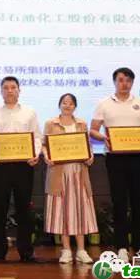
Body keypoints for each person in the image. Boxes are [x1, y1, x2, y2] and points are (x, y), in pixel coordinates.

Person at [89, 67, 140, 263]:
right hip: (115, 158)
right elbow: (93, 130)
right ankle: (121, 247)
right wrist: (105, 138)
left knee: (139, 202)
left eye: (128, 80)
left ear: (132, 83)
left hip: (138, 157)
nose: (124, 84)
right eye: (120, 80)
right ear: (115, 82)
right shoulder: (104, 103)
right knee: (119, 202)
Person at [0, 76, 41, 263]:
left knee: (24, 209)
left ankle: (26, 251)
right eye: (6, 88)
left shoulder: (29, 113)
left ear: (19, 90)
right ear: (1, 91)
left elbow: (37, 137)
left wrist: (36, 154)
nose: (10, 91)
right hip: (0, 167)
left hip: (24, 166)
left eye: (13, 87)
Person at [42, 93, 97, 264]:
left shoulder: (81, 124)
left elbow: (88, 146)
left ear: (75, 106)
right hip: (59, 174)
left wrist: (90, 157)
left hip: (78, 173)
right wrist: (46, 156)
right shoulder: (50, 123)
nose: (67, 105)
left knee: (80, 211)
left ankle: (81, 250)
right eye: (64, 103)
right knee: (63, 212)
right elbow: (44, 145)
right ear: (60, 105)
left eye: (71, 103)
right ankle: (66, 250)